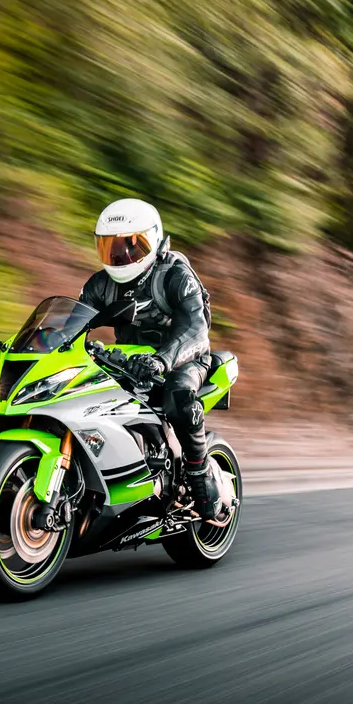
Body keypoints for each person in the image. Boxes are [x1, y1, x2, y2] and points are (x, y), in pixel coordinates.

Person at [78, 198, 223, 520]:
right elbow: (73, 324)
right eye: (110, 248)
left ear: (153, 239)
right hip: (126, 361)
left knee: (179, 398)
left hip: (184, 357)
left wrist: (162, 361)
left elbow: (196, 329)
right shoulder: (99, 284)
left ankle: (200, 477)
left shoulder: (174, 276)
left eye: (131, 246)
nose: (120, 256)